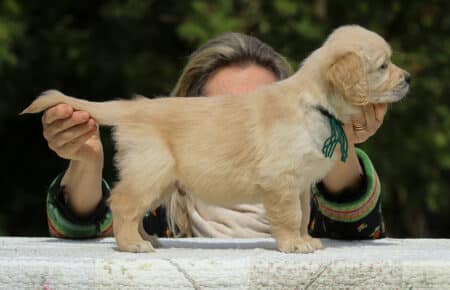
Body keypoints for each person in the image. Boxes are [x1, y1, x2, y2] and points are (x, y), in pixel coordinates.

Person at [42, 32, 387, 240]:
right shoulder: (161, 214)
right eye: (227, 112)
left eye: (262, 111)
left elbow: (356, 228)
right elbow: (84, 231)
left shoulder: (308, 210)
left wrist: (339, 138)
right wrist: (86, 163)